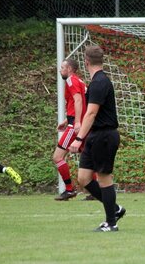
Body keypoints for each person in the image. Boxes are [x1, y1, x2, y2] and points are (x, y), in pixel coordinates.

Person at [69, 45, 126, 232]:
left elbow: (91, 112)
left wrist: (78, 138)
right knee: (84, 178)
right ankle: (115, 209)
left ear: (86, 62)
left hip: (104, 135)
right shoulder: (96, 82)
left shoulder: (100, 82)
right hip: (95, 135)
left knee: (104, 178)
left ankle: (111, 222)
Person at [52, 58, 87, 201]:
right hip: (78, 123)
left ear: (70, 69)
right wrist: (67, 120)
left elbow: (78, 101)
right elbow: (78, 102)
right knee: (88, 156)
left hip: (76, 126)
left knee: (58, 157)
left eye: (62, 67)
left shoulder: (71, 80)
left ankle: (69, 189)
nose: (60, 70)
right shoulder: (80, 81)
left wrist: (76, 122)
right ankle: (96, 190)